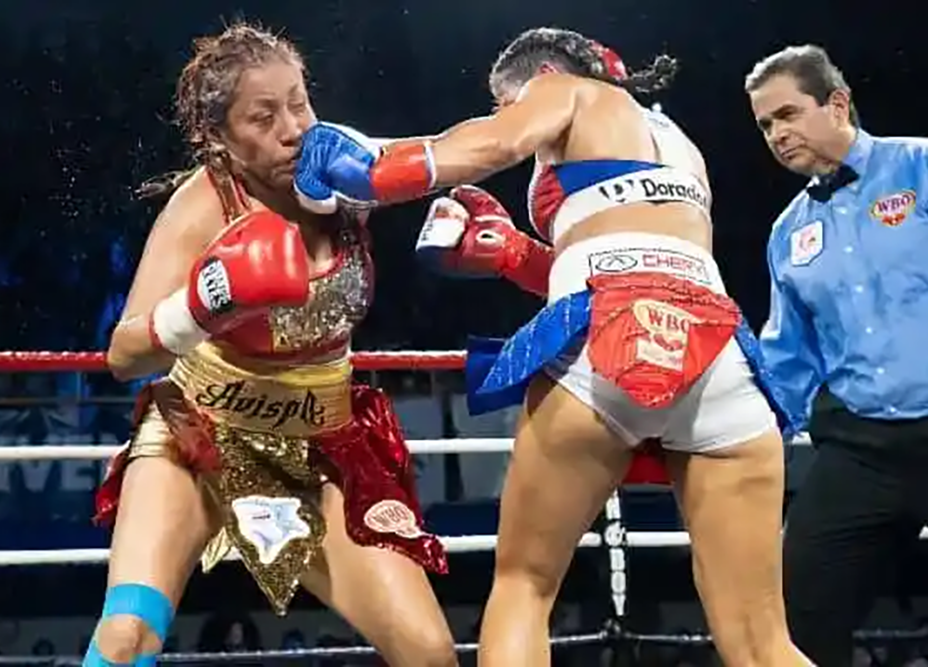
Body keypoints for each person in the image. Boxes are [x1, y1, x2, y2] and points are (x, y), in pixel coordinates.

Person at [293, 26, 813, 667]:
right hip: (720, 357)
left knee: (525, 588)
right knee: (763, 643)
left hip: (603, 348)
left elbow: (490, 145)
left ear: (540, 80)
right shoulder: (674, 142)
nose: (511, 117)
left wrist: (371, 171)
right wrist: (513, 253)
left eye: (506, 103)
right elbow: (636, 258)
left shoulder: (567, 91)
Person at [84, 21, 456, 667]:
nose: (292, 129)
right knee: (126, 637)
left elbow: (457, 152)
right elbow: (124, 355)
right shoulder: (202, 206)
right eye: (263, 117)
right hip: (199, 435)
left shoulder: (343, 171)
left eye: (299, 104)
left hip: (321, 443)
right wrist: (202, 304)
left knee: (428, 653)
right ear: (220, 137)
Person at [746, 44, 928, 667]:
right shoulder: (787, 232)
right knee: (794, 609)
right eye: (765, 125)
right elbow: (789, 358)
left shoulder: (919, 167)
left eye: (788, 114)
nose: (777, 134)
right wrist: (739, 441)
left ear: (838, 103)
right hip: (862, 447)